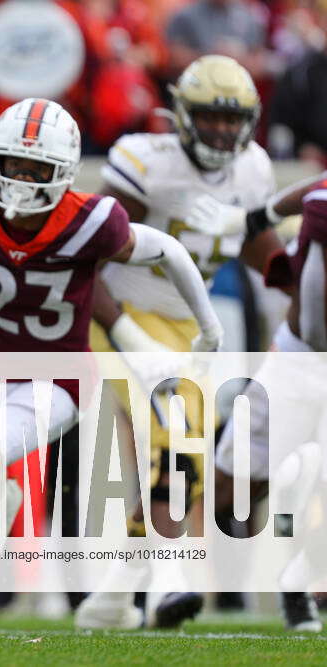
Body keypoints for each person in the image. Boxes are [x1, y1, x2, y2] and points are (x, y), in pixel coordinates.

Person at [0, 97, 224, 636]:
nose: (24, 182)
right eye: (14, 166)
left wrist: (208, 324)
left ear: (63, 175)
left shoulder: (89, 221)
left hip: (59, 379)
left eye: (38, 171)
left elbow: (169, 250)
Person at [75, 54, 285, 631]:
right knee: (170, 440)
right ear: (183, 115)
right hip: (117, 313)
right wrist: (126, 333)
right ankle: (168, 583)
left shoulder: (255, 170)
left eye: (231, 118)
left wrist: (294, 277)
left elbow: (257, 244)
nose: (221, 129)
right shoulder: (146, 161)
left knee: (187, 457)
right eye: (210, 116)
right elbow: (88, 255)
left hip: (186, 328)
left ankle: (114, 598)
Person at [210, 177, 327, 633]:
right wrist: (262, 217)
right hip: (296, 357)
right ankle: (154, 578)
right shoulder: (321, 203)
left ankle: (297, 586)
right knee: (230, 485)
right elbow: (315, 189)